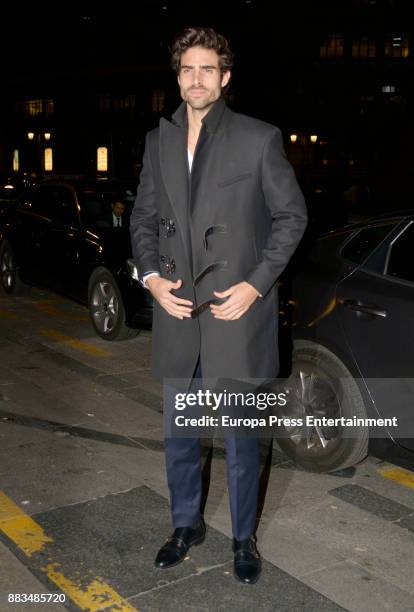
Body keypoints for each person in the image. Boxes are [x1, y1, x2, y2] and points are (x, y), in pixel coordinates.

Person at [130, 26, 307, 584]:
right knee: (180, 436)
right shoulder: (158, 141)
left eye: (208, 69)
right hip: (178, 313)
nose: (197, 78)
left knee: (239, 441)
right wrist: (152, 278)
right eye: (187, 69)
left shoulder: (258, 138)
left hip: (235, 316)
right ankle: (186, 526)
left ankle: (243, 538)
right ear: (178, 77)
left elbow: (291, 218)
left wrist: (256, 285)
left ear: (225, 77)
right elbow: (143, 221)